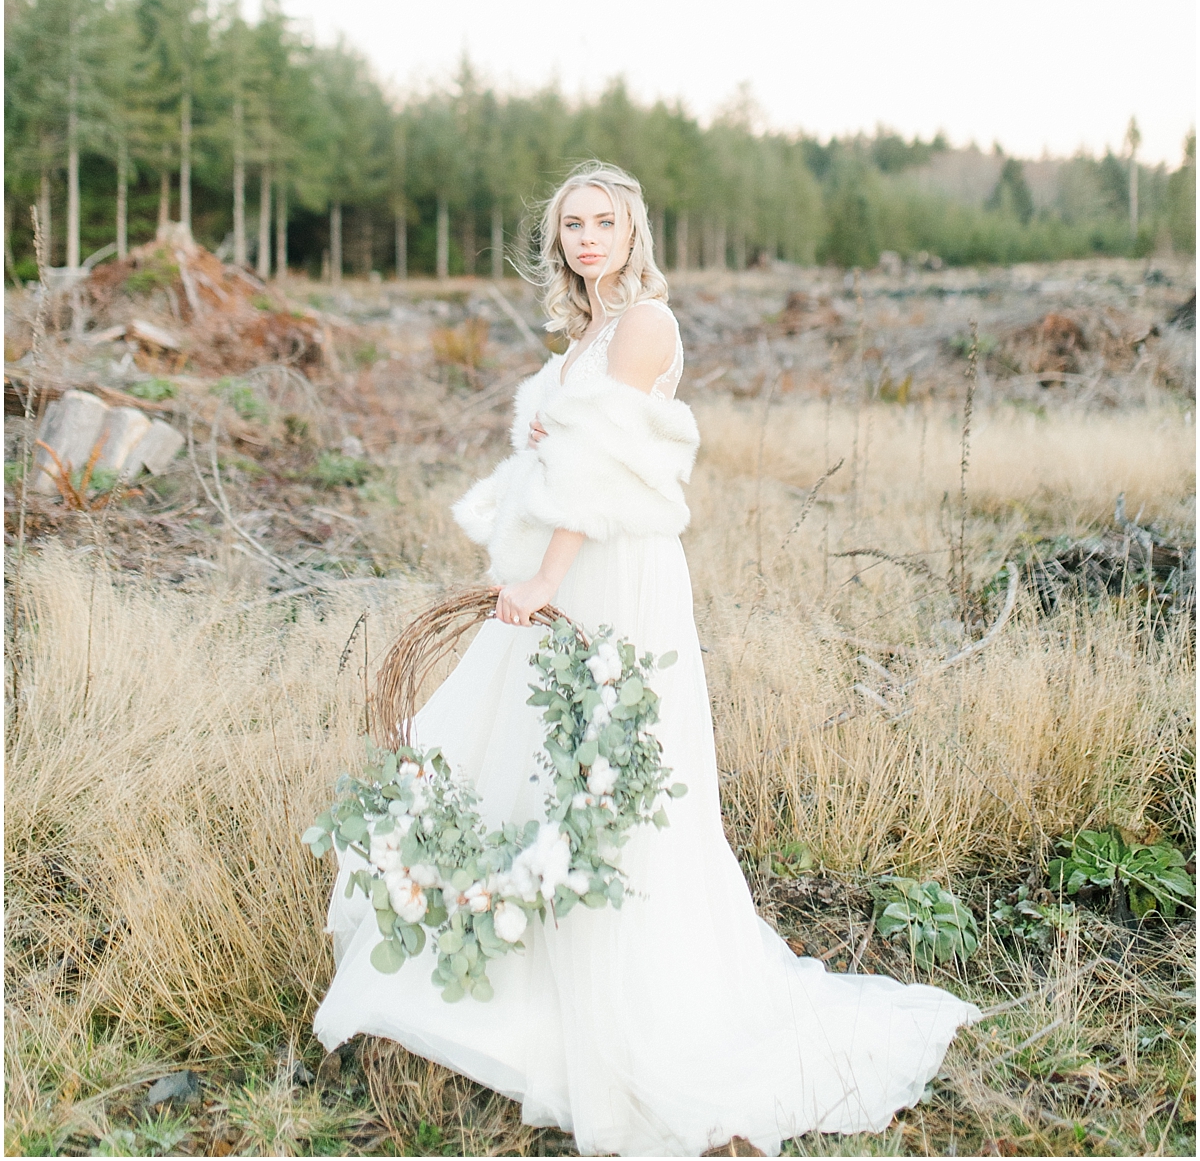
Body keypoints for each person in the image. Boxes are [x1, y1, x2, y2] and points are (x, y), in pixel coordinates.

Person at [314, 161, 980, 1157]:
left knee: (609, 776)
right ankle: (527, 982)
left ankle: (629, 1011)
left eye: (605, 222)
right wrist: (530, 486)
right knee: (532, 763)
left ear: (635, 232)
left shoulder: (644, 323)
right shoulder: (585, 330)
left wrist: (545, 577)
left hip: (612, 574)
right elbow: (559, 450)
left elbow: (603, 468)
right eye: (573, 223)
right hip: (565, 560)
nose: (588, 237)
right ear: (559, 240)